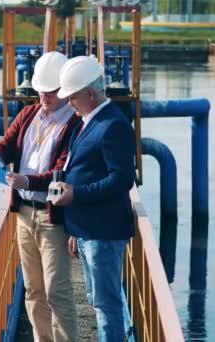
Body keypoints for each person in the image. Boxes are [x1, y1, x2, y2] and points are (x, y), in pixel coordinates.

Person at [0, 51, 81, 342]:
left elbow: (60, 172)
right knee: (34, 290)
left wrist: (26, 180)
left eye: (51, 90)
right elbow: (8, 142)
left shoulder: (75, 125)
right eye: (40, 89)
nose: (44, 95)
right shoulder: (28, 113)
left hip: (52, 218)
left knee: (57, 291)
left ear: (65, 90)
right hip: (24, 214)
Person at [52, 55, 137, 342]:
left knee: (106, 305)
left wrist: (77, 194)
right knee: (96, 299)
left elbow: (122, 179)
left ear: (90, 93)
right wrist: (77, 229)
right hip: (89, 230)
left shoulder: (114, 125)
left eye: (72, 97)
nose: (69, 103)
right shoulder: (88, 121)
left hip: (104, 232)